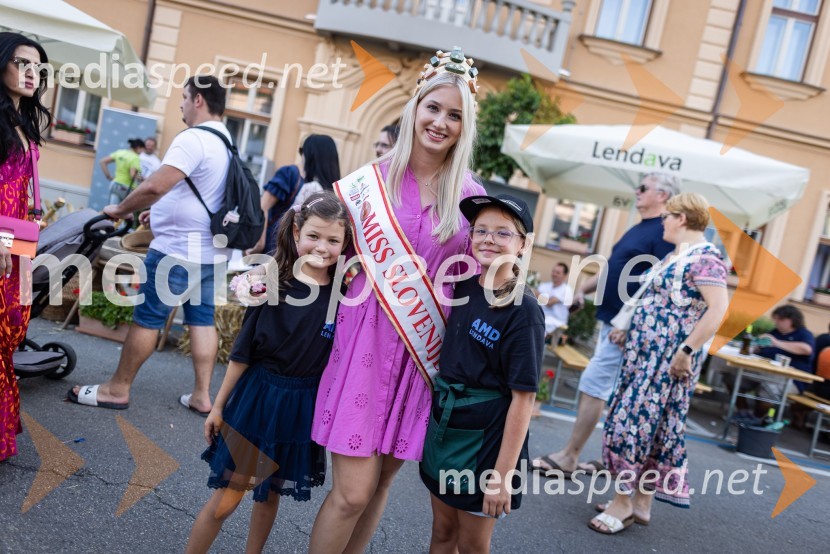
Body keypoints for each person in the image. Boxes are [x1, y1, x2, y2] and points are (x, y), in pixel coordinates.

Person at [308, 49, 486, 553]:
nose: (441, 122)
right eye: (434, 108)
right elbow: (323, 248)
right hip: (363, 345)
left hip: (422, 356)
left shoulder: (471, 198)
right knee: (351, 493)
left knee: (379, 487)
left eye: (455, 115)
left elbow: (477, 280)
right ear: (415, 108)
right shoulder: (370, 183)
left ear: (465, 126)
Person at [186, 192, 350, 554]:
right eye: (314, 236)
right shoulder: (271, 284)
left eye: (333, 240)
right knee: (227, 498)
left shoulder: (345, 294)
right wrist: (218, 406)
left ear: (345, 244)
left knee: (269, 498)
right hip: (259, 400)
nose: (322, 247)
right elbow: (242, 353)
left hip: (301, 406)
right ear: (296, 231)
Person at [67, 75, 233, 414]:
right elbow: (196, 193)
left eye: (184, 97)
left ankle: (117, 389)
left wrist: (120, 209)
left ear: (198, 100)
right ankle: (202, 396)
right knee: (202, 320)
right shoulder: (226, 142)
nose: (181, 105)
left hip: (177, 252)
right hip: (212, 252)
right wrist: (157, 213)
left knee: (148, 319)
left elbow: (156, 186)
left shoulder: (194, 138)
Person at [590, 192, 729, 534]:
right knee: (654, 428)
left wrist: (686, 350)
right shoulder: (677, 255)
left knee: (631, 425)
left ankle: (622, 503)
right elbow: (657, 302)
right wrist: (629, 328)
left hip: (666, 362)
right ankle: (641, 503)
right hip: (645, 358)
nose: (662, 221)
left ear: (682, 218)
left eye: (667, 215)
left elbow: (718, 309)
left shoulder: (705, 258)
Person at [420, 195, 544, 553]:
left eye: (503, 233)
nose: (489, 239)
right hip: (447, 429)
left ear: (523, 245)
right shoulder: (462, 287)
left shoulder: (523, 310)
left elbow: (524, 400)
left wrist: (501, 477)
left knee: (472, 544)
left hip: (487, 446)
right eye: (481, 230)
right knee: (442, 532)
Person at [531, 173, 677, 475]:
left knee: (594, 383)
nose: (636, 191)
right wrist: (581, 290)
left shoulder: (664, 231)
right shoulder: (640, 228)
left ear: (662, 195)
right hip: (612, 322)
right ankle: (612, 461)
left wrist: (631, 324)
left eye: (643, 188)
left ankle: (570, 456)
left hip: (626, 328)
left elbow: (661, 282)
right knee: (616, 392)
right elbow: (612, 268)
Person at [0, 32, 51, 462]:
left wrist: (33, 213)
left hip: (19, 241)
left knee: (12, 328)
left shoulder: (24, 121)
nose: (31, 73)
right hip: (2, 240)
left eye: (38, 66)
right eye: (22, 63)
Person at [247, 134, 340, 255]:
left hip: (276, 247)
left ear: (308, 154)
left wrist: (260, 244)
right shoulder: (332, 190)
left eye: (302, 151)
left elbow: (263, 206)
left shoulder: (289, 174)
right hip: (306, 253)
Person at [100, 138, 144, 204]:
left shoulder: (120, 152)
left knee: (112, 208)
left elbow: (102, 162)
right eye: (142, 150)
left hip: (115, 185)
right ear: (138, 148)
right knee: (125, 210)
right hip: (126, 188)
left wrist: (108, 176)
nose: (141, 153)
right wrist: (141, 178)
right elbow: (132, 175)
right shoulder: (135, 158)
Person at [536, 262, 572, 338]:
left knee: (538, 326)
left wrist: (537, 294)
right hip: (541, 316)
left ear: (565, 275)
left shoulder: (567, 290)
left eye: (558, 273)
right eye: (553, 271)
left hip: (556, 321)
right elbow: (534, 298)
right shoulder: (544, 285)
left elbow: (548, 303)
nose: (554, 274)